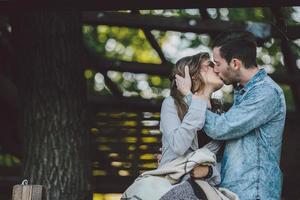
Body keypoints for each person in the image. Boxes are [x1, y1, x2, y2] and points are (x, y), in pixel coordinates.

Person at [175, 31, 286, 200]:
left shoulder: (266, 92)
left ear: (235, 63)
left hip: (253, 193)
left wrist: (188, 97)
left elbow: (221, 128)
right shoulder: (244, 92)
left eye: (217, 63)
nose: (215, 68)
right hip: (236, 192)